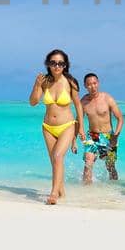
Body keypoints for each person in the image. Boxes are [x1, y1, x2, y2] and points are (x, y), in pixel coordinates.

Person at [28, 48, 81, 205]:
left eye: (60, 63)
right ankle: (61, 192)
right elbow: (33, 102)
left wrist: (81, 129)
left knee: (58, 157)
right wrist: (37, 85)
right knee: (55, 161)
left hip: (67, 125)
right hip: (48, 127)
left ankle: (53, 194)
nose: (57, 66)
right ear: (48, 65)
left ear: (65, 65)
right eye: (53, 63)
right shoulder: (44, 82)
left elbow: (78, 106)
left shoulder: (70, 82)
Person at [79, 72, 124, 182]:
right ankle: (86, 193)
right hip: (92, 136)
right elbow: (78, 120)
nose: (92, 87)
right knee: (88, 163)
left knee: (110, 167)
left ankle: (114, 191)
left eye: (94, 83)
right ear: (85, 86)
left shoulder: (107, 98)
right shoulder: (83, 102)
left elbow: (120, 119)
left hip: (108, 136)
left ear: (98, 83)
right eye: (89, 84)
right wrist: (78, 134)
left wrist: (116, 135)